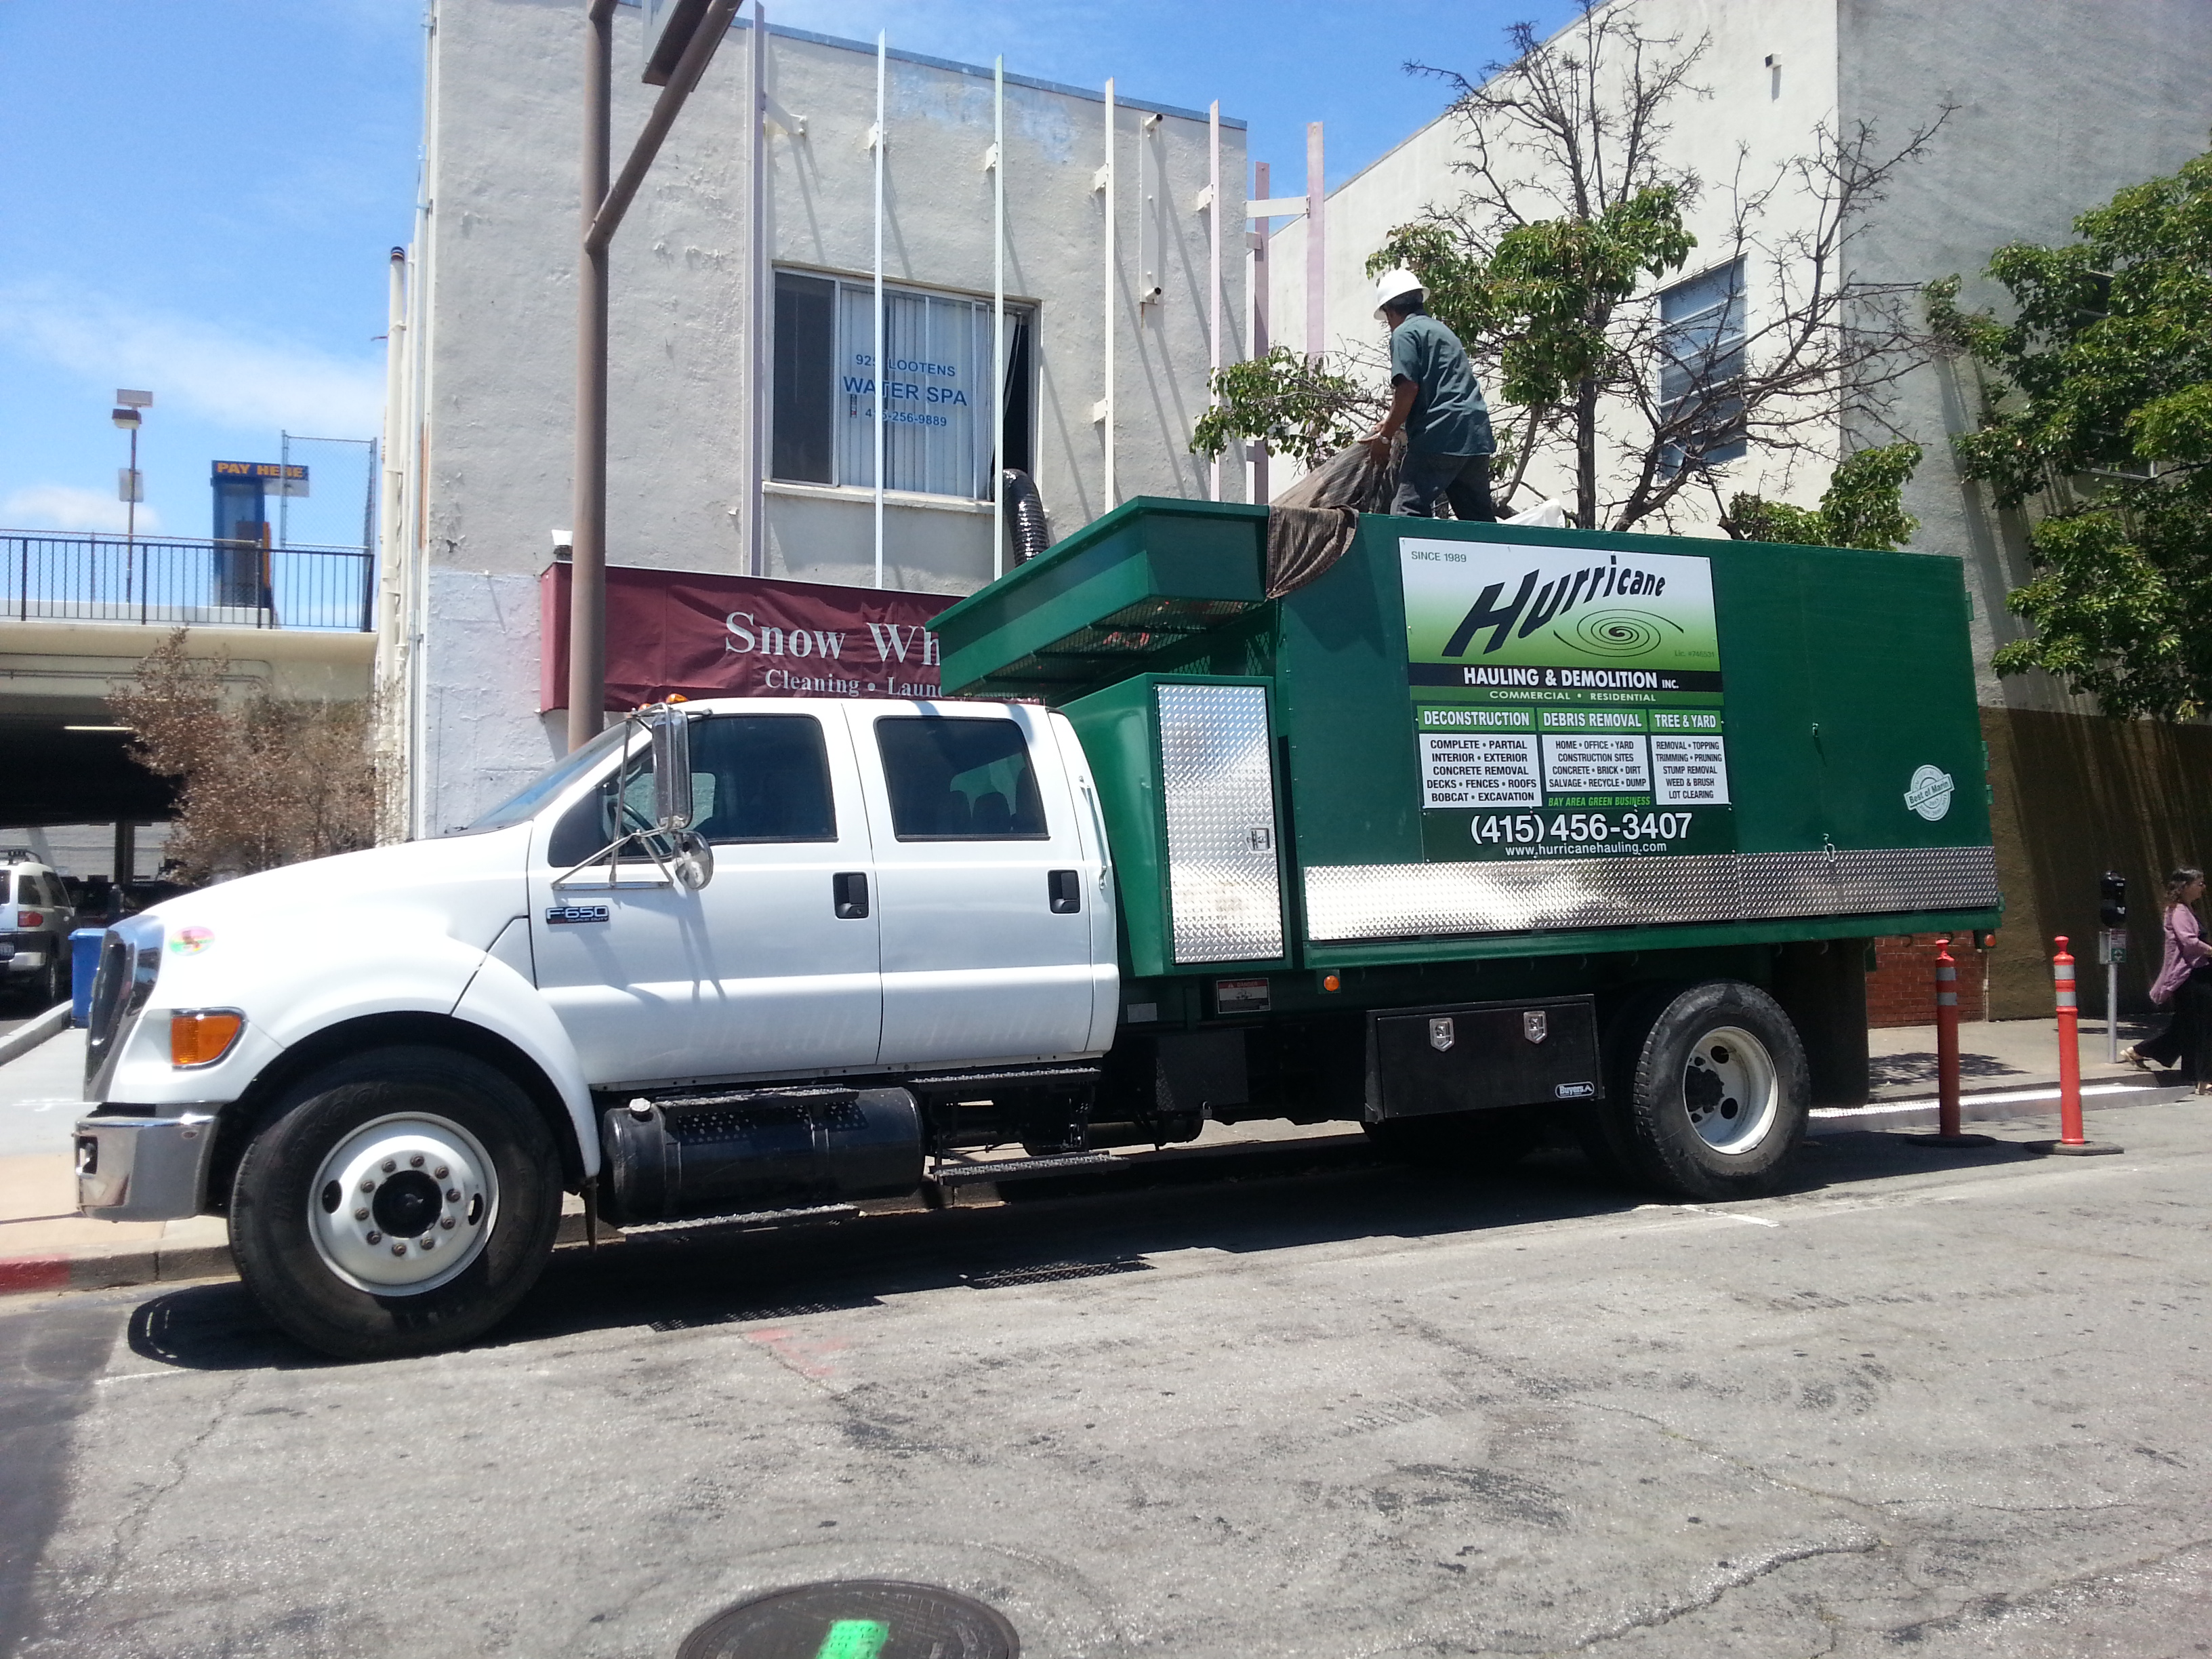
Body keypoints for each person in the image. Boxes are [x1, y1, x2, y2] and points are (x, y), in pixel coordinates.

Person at [1361, 268, 1499, 522]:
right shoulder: (1441, 330)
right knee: (1478, 520)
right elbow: (1441, 387)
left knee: (1407, 512)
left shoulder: (1404, 333)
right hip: (1475, 433)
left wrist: (1385, 437)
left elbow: (1408, 388)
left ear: (1391, 311)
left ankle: (1414, 561)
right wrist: (1392, 422)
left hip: (1441, 434)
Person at [2125, 865, 2212, 1092]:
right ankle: (2204, 1078)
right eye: (2199, 883)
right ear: (2185, 887)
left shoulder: (2187, 909)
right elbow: (2190, 942)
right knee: (2203, 1026)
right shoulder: (2178, 911)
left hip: (2197, 973)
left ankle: (2142, 1052)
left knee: (2188, 1025)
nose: (2203, 888)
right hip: (2190, 976)